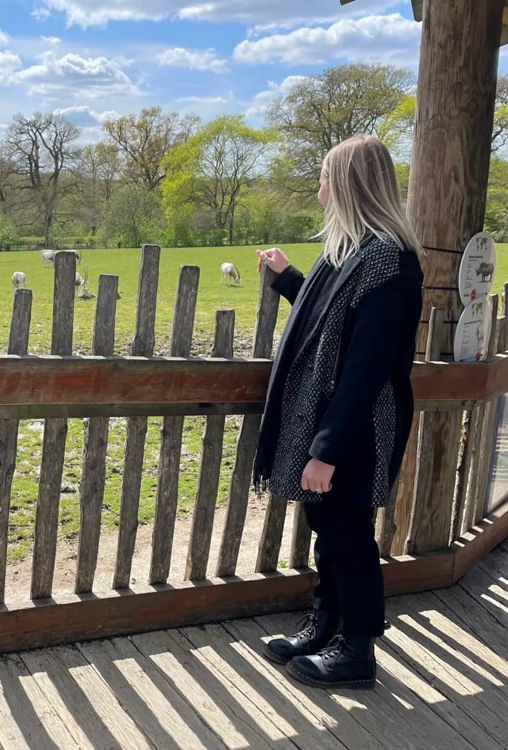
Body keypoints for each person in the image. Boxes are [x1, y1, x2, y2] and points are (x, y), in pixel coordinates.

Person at [253, 134, 423, 689]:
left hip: (358, 425)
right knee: (326, 523)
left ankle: (357, 650)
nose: (320, 190)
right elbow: (330, 320)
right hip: (331, 416)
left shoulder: (389, 262)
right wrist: (288, 280)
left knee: (347, 531)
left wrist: (325, 450)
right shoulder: (350, 251)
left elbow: (366, 367)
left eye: (326, 178)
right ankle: (325, 625)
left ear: (348, 184)